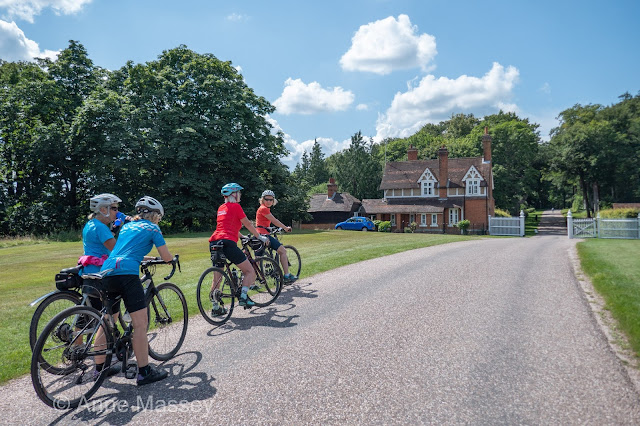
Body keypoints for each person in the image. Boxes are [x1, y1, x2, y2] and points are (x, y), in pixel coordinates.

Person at [97, 196, 174, 386]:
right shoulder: (153, 228)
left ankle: (100, 368)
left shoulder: (127, 227)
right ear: (155, 216)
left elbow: (125, 250)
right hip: (127, 274)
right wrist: (171, 260)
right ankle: (144, 372)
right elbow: (166, 256)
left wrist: (147, 258)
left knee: (108, 321)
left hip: (107, 271)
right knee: (140, 324)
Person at [208, 183, 269, 316]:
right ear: (234, 195)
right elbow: (248, 224)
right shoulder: (236, 206)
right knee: (249, 271)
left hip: (215, 242)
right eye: (239, 193)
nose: (240, 195)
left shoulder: (221, 208)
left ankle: (215, 308)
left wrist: (241, 236)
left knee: (217, 276)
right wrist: (259, 236)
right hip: (228, 243)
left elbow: (226, 227)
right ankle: (243, 297)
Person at [255, 189, 297, 283]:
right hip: (264, 235)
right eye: (266, 199)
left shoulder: (263, 208)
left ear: (273, 200)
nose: (269, 201)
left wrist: (269, 228)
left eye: (271, 199)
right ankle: (286, 276)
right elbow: (274, 221)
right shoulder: (264, 208)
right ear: (262, 199)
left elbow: (262, 223)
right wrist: (285, 228)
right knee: (283, 251)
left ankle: (252, 283)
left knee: (257, 260)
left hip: (258, 234)